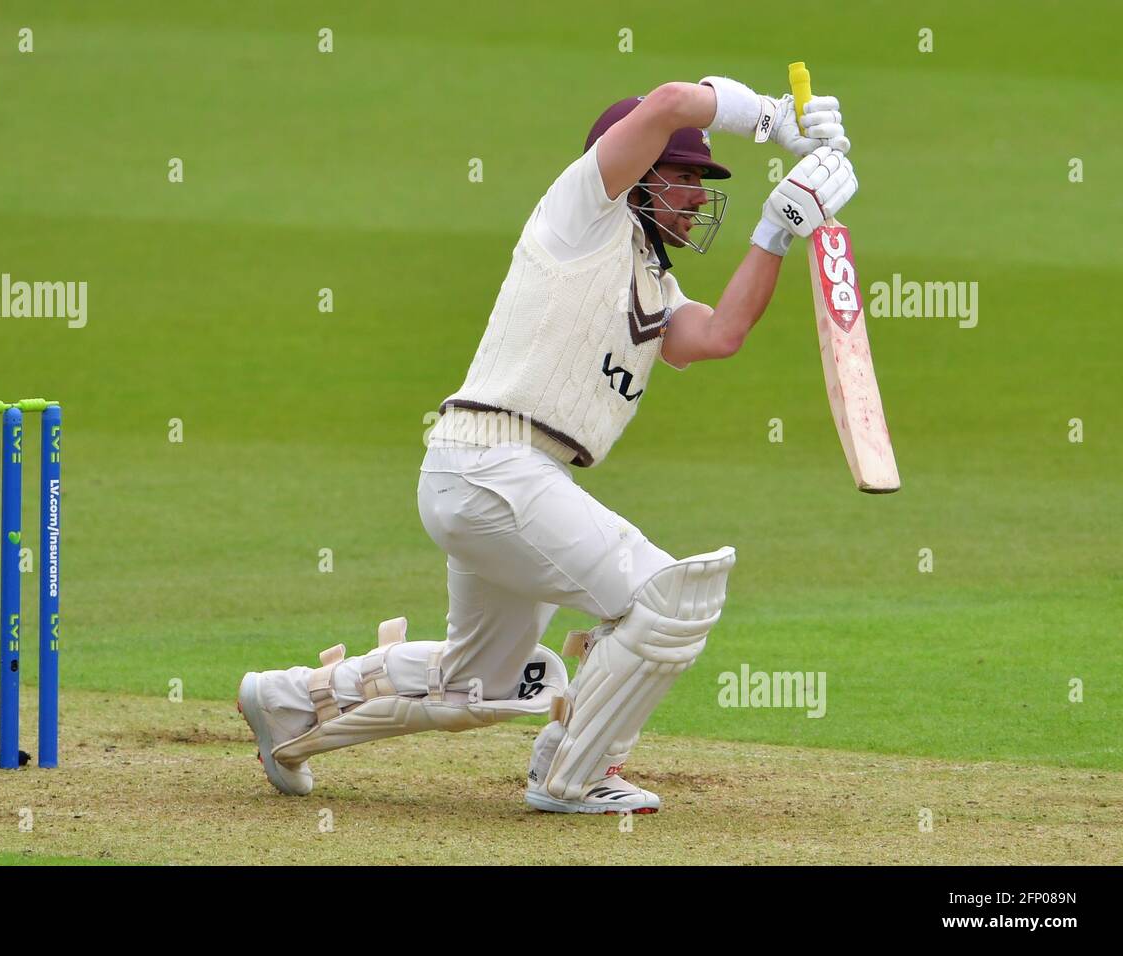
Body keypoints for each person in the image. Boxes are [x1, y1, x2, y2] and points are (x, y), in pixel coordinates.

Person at [239, 76, 856, 813]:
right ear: (637, 169)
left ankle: (285, 702)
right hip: (493, 462)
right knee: (669, 599)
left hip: (494, 478)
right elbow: (666, 102)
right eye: (685, 175)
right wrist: (773, 120)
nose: (696, 195)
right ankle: (574, 775)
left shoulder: (653, 278)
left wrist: (778, 228)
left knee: (479, 686)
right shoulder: (582, 210)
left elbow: (720, 335)